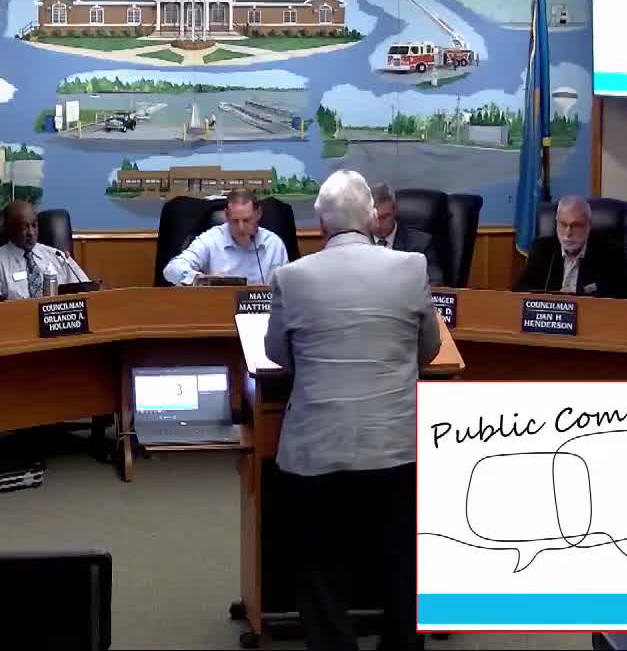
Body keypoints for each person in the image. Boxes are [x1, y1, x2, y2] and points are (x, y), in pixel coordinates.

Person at [264, 169, 441, 651]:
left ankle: (333, 643)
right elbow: (428, 350)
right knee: (403, 558)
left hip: (316, 453)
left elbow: (278, 355)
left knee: (315, 561)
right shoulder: (411, 267)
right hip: (397, 449)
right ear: (371, 218)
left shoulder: (291, 277)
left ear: (320, 224)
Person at [513, 195, 627, 298]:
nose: (568, 233)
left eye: (576, 225)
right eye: (563, 224)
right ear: (556, 223)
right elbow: (520, 291)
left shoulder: (611, 253)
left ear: (588, 225)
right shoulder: (542, 248)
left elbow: (623, 298)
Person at [0, 200, 90, 303]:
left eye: (34, 225)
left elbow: (87, 291)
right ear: (8, 229)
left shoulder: (56, 256)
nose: (31, 233)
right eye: (24, 227)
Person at [163, 189, 289, 286]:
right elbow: (172, 269)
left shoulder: (274, 244)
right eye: (235, 221)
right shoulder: (211, 239)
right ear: (227, 216)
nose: (241, 228)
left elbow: (286, 289)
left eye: (246, 220)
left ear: (258, 214)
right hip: (218, 307)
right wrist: (202, 280)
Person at [369, 183, 444, 286]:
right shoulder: (357, 242)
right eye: (374, 218)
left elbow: (435, 283)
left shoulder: (421, 244)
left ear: (395, 210)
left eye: (385, 217)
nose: (379, 224)